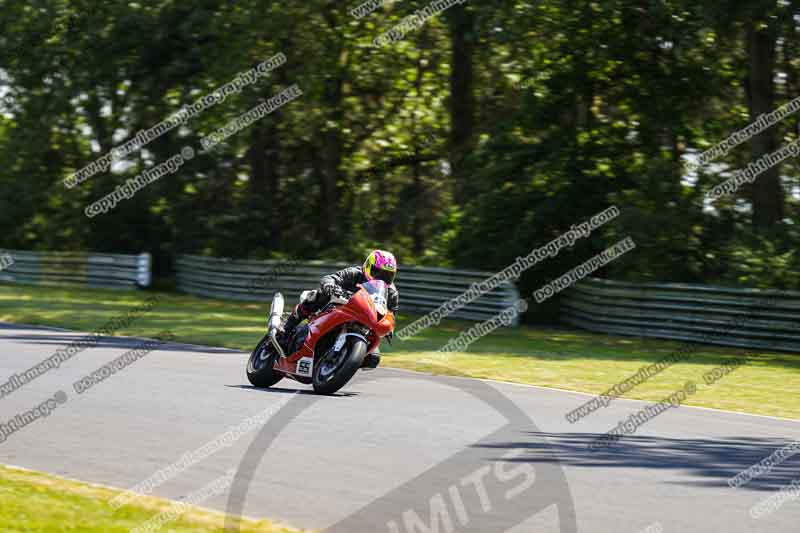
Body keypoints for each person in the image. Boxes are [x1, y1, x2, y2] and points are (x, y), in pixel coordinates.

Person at [279, 250, 399, 364]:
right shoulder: (355, 273)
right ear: (368, 266)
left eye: (387, 276)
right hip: (339, 305)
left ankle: (341, 361)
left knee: (373, 358)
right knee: (318, 295)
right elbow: (330, 278)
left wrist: (389, 328)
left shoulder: (391, 292)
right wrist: (330, 285)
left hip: (364, 318)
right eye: (377, 272)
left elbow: (391, 313)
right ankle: (287, 328)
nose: (381, 278)